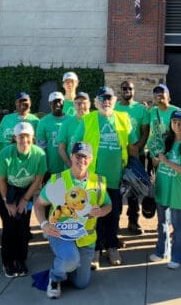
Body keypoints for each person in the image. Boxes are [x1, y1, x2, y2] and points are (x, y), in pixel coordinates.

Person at [34, 142, 112, 299]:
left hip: (86, 237)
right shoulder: (57, 180)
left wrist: (102, 211)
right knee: (70, 259)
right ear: (71, 156)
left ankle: (65, 265)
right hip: (60, 234)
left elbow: (108, 205)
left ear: (90, 160)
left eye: (85, 157)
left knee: (81, 284)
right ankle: (55, 278)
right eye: (78, 156)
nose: (81, 160)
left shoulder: (98, 182)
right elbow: (39, 205)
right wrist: (44, 225)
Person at [72, 87, 137, 268]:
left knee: (114, 213)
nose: (106, 102)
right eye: (102, 99)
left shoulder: (124, 119)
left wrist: (133, 169)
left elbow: (132, 147)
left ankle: (112, 246)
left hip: (116, 177)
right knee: (94, 215)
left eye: (109, 98)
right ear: (96, 101)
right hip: (93, 178)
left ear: (114, 100)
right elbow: (76, 145)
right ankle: (95, 250)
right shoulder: (88, 119)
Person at [0, 122, 47, 277]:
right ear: (15, 138)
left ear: (33, 138)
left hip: (26, 191)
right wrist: (8, 202)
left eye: (27, 137)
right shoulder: (6, 153)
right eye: (21, 137)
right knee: (10, 225)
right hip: (6, 191)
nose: (24, 140)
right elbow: (0, 180)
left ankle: (20, 260)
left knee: (23, 227)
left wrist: (25, 199)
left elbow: (38, 180)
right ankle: (7, 262)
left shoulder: (39, 154)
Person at [148, 110, 181, 269]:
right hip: (162, 186)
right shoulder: (165, 141)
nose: (177, 125)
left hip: (177, 190)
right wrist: (156, 158)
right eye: (174, 122)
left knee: (177, 223)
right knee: (161, 222)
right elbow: (156, 164)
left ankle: (179, 257)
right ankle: (161, 251)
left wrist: (166, 161)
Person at [114, 80, 150, 235]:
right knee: (116, 190)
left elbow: (145, 132)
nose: (127, 90)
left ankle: (133, 221)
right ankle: (114, 221)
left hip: (136, 156)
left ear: (134, 91)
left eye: (130, 88)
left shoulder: (140, 109)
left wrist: (137, 149)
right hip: (117, 157)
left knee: (134, 190)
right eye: (124, 88)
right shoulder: (114, 109)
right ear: (120, 91)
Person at [146, 84, 181, 173]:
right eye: (156, 92)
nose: (158, 94)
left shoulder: (176, 111)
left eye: (161, 91)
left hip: (170, 155)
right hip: (154, 155)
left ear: (168, 96)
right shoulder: (152, 111)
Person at [37, 91, 69, 178]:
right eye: (54, 102)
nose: (57, 104)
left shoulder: (71, 120)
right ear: (50, 103)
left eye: (60, 101)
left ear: (64, 102)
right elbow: (41, 147)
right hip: (51, 169)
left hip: (69, 168)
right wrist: (43, 168)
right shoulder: (43, 122)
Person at [57, 91, 91, 166]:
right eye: (78, 103)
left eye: (84, 103)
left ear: (89, 104)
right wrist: (70, 164)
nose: (81, 106)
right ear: (74, 105)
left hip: (91, 168)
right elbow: (61, 148)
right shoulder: (66, 123)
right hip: (73, 167)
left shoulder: (95, 121)